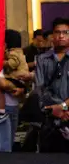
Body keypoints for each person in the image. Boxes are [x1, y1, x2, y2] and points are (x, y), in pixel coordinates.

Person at [35, 18, 69, 153]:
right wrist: (52, 109)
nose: (61, 36)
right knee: (48, 159)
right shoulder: (42, 59)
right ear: (52, 35)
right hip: (49, 118)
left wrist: (63, 107)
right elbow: (40, 88)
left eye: (65, 32)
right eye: (57, 32)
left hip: (67, 114)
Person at [0, 29, 30, 125]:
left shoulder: (13, 52)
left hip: (17, 79)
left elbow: (12, 63)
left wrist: (1, 63)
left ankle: (1, 111)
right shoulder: (18, 52)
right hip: (18, 84)